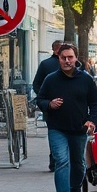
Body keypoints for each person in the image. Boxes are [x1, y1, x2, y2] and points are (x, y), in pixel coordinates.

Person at [36, 43, 97, 192]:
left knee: (78, 164)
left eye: (70, 57)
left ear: (76, 58)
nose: (66, 60)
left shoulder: (85, 79)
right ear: (58, 58)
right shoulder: (50, 79)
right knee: (62, 161)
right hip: (57, 128)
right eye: (63, 57)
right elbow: (40, 99)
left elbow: (96, 102)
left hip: (78, 129)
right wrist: (49, 104)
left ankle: (74, 190)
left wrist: (91, 121)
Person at [33, 40, 63, 172]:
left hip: (51, 107)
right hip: (55, 107)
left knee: (54, 132)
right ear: (56, 50)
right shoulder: (47, 64)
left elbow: (36, 85)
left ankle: (55, 160)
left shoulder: (45, 64)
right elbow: (37, 84)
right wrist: (45, 100)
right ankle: (58, 159)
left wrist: (45, 99)